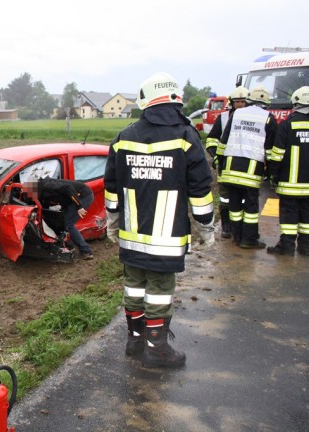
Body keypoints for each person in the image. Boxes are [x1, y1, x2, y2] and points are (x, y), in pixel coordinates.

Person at [104, 72, 214, 368]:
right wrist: (206, 226)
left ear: (145, 101)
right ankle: (157, 349)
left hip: (131, 233)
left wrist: (112, 221)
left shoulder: (123, 137)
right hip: (166, 238)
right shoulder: (185, 137)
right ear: (176, 100)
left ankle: (135, 340)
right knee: (160, 291)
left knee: (134, 285)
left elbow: (111, 186)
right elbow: (201, 189)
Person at [219, 86, 278, 249]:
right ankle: (249, 240)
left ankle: (237, 237)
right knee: (251, 208)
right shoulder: (268, 118)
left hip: (230, 169)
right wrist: (271, 172)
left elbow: (223, 142)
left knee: (235, 206)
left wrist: (220, 165)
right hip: (251, 172)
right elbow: (271, 150)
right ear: (266, 103)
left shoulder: (236, 114)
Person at [266, 86, 309, 256]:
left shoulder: (287, 125)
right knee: (307, 216)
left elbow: (277, 154)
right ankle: (306, 248)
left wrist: (273, 174)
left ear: (296, 103)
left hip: (289, 183)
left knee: (288, 215)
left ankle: (286, 247)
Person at [205, 86, 249, 239]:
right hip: (225, 166)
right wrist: (217, 157)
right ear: (232, 103)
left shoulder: (252, 118)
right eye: (238, 102)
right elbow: (211, 139)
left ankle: (242, 228)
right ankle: (226, 227)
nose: (241, 105)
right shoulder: (223, 118)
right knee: (225, 198)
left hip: (245, 166)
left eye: (244, 102)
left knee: (244, 198)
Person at [25, 176, 95, 260]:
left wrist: (79, 206)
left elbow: (68, 188)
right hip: (69, 201)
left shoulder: (49, 186)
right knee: (59, 221)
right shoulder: (40, 191)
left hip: (82, 196)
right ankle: (69, 246)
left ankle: (86, 251)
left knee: (68, 223)